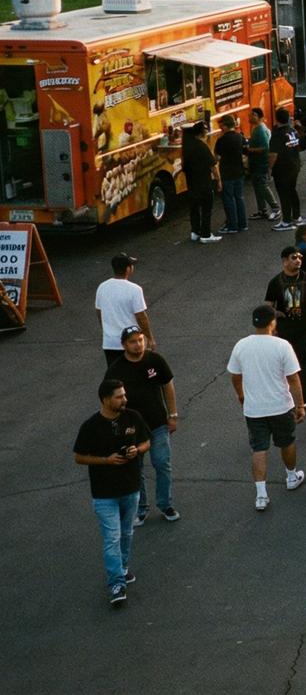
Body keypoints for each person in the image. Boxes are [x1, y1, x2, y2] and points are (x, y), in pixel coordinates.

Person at [74, 377, 151, 606]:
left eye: (124, 395)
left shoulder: (133, 417)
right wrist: (106, 460)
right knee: (112, 538)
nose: (124, 399)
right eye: (119, 397)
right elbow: (79, 457)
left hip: (131, 489)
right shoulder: (91, 426)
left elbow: (147, 441)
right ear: (105, 399)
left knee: (126, 534)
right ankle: (116, 583)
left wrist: (137, 450)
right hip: (104, 494)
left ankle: (123, 567)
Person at [228, 304, 306, 512]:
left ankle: (261, 495)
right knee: (286, 442)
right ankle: (291, 476)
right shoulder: (282, 346)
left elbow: (235, 376)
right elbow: (294, 379)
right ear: (272, 323)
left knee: (259, 448)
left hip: (254, 409)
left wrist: (241, 396)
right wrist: (300, 405)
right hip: (280, 406)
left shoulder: (241, 346)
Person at [102, 326, 178, 525]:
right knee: (135, 468)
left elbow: (168, 385)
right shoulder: (116, 370)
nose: (138, 345)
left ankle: (165, 504)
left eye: (140, 340)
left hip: (158, 423)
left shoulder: (155, 360)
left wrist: (173, 415)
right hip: (131, 429)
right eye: (133, 342)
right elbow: (108, 400)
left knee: (162, 464)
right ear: (124, 345)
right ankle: (141, 508)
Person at [264, 245, 306, 402]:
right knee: (285, 364)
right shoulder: (275, 282)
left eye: (300, 258)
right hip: (284, 331)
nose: (298, 260)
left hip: (305, 329)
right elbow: (268, 306)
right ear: (284, 261)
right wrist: (273, 320)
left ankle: (303, 399)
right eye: (294, 258)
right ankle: (287, 397)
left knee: (303, 363)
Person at [96, 253, 154, 366]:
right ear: (128, 269)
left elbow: (99, 313)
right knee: (136, 372)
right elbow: (141, 317)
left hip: (110, 343)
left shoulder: (102, 287)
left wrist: (107, 331)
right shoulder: (134, 289)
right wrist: (150, 338)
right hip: (132, 342)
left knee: (116, 374)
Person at [182, 123, 219, 242]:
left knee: (194, 209)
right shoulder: (202, 147)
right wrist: (218, 180)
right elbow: (213, 166)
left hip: (192, 183)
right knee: (206, 209)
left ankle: (195, 232)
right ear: (201, 132)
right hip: (204, 182)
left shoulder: (187, 147)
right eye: (205, 130)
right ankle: (206, 234)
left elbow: (184, 167)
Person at [214, 113, 250, 234]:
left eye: (221, 126)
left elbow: (216, 157)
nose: (220, 128)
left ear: (225, 126)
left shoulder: (221, 140)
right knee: (239, 197)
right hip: (239, 171)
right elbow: (246, 151)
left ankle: (232, 225)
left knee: (229, 199)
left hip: (227, 173)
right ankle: (243, 224)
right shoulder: (240, 137)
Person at [270, 109, 306, 230]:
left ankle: (286, 221)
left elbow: (273, 154)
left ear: (276, 119)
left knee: (284, 194)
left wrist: (270, 168)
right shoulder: (293, 131)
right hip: (294, 165)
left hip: (282, 168)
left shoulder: (277, 134)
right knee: (292, 191)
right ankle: (297, 216)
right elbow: (299, 147)